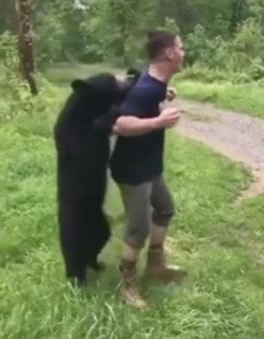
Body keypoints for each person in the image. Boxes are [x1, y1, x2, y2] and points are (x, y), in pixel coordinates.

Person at [110, 29, 186, 308]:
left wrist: (162, 96)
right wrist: (157, 122)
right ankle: (127, 285)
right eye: (181, 47)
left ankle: (155, 267)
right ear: (169, 53)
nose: (183, 53)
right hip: (132, 171)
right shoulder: (145, 90)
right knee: (137, 229)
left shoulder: (152, 85)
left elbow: (143, 91)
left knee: (165, 208)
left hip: (149, 165)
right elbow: (120, 124)